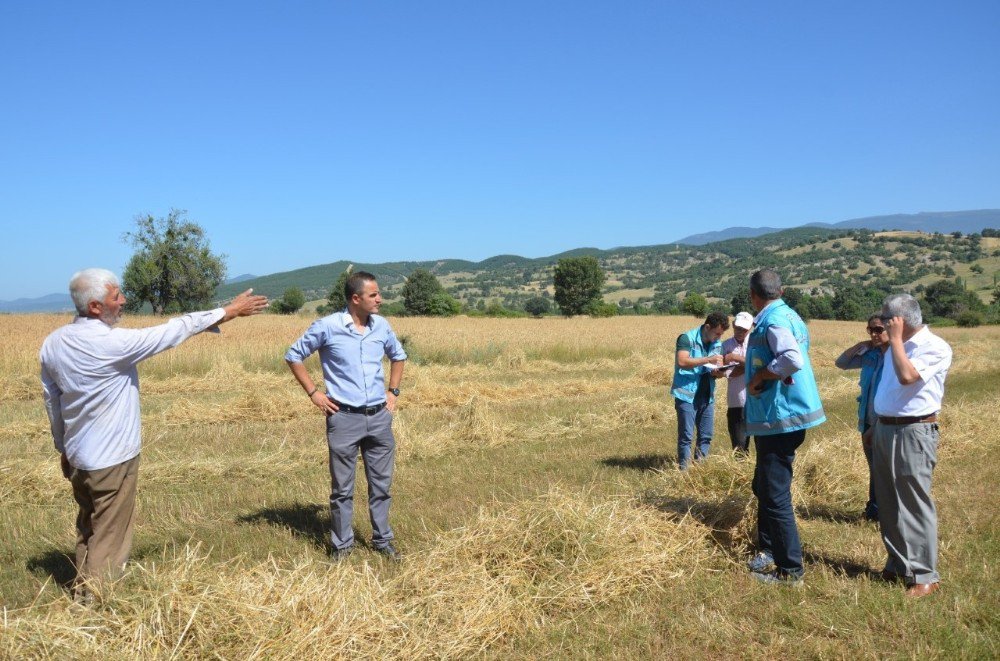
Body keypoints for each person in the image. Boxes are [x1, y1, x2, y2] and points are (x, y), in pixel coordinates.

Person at [39, 268, 268, 596]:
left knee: (88, 526)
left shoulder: (53, 343)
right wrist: (229, 311)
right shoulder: (114, 343)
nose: (123, 301)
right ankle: (94, 601)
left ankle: (82, 587)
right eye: (116, 296)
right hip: (112, 459)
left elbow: (53, 402)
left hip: (78, 456)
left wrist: (62, 446)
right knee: (111, 533)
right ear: (94, 306)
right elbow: (176, 329)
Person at [285, 271, 407, 561]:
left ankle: (382, 540)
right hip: (343, 418)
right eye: (374, 295)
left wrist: (394, 392)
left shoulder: (382, 326)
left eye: (378, 294)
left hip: (379, 417)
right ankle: (342, 546)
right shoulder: (328, 327)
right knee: (342, 489)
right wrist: (314, 393)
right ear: (356, 298)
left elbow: (398, 356)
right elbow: (293, 355)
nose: (380, 299)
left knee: (382, 486)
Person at [744, 269, 826, 585]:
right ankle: (767, 548)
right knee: (763, 486)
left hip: (780, 417)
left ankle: (790, 571)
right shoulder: (791, 315)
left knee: (775, 493)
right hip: (780, 416)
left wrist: (762, 375)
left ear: (753, 295)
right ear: (782, 290)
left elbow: (792, 358)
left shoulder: (772, 321)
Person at [872, 293, 951, 598]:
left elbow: (907, 377)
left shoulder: (935, 347)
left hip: (914, 432)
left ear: (899, 321)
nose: (881, 322)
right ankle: (897, 563)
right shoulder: (899, 345)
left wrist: (894, 342)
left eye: (887, 318)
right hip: (886, 429)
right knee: (888, 501)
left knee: (914, 503)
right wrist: (876, 424)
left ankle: (924, 575)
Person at [834, 314, 888, 521]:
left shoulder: (895, 357)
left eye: (879, 330)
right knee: (874, 467)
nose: (874, 334)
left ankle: (881, 510)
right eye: (870, 330)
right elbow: (841, 362)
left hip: (885, 420)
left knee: (884, 468)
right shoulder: (870, 355)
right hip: (867, 419)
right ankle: (874, 509)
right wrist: (860, 344)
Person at [671, 311, 729, 469]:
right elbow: (682, 361)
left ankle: (700, 468)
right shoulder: (686, 338)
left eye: (721, 334)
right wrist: (707, 360)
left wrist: (719, 373)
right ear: (707, 327)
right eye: (717, 333)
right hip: (686, 395)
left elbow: (714, 370)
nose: (719, 337)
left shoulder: (717, 344)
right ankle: (684, 470)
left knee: (706, 436)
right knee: (686, 437)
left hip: (707, 395)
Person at [721, 311, 754, 455]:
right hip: (737, 401)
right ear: (733, 325)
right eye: (738, 328)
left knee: (762, 445)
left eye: (744, 329)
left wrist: (735, 357)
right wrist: (748, 366)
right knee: (739, 446)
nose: (740, 332)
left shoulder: (756, 343)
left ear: (751, 328)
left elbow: (761, 365)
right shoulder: (725, 345)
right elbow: (723, 372)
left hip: (757, 401)